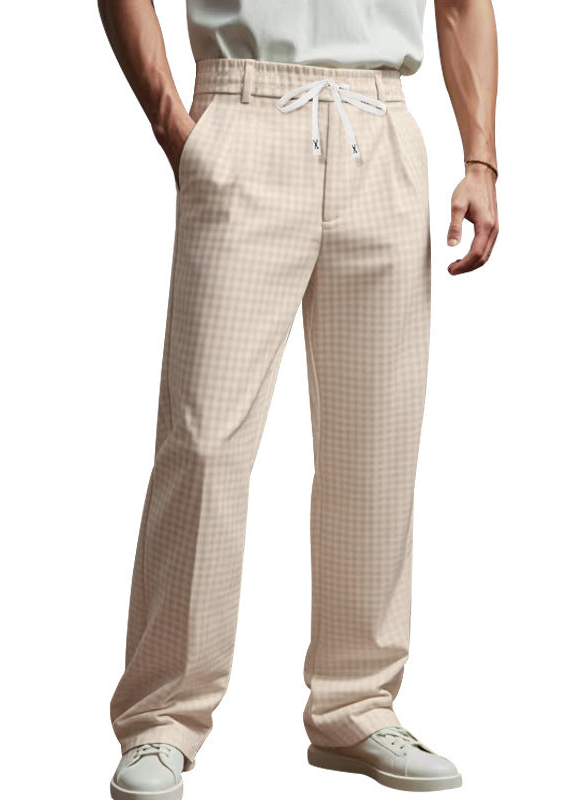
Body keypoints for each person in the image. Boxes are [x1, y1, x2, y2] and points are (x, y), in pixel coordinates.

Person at [98, 1, 498, 797]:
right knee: (205, 441)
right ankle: (162, 718)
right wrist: (173, 122)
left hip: (381, 124)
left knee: (376, 442)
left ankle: (357, 704)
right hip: (244, 111)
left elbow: (461, 4)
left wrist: (481, 160)